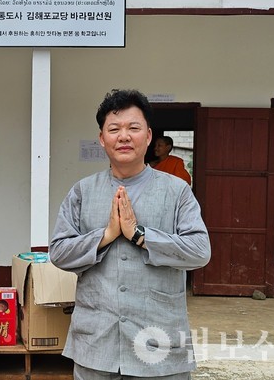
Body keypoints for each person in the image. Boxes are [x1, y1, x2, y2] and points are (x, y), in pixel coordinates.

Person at [49, 89, 211, 380]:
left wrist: (140, 236)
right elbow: (59, 252)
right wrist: (106, 235)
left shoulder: (177, 191)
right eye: (114, 129)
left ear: (148, 136)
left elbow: (199, 251)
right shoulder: (82, 192)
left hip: (159, 348)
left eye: (133, 128)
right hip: (96, 346)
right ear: (102, 139)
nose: (123, 136)